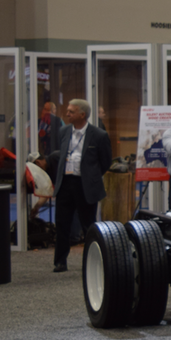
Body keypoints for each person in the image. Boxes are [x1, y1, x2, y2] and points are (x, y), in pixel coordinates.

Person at [44, 99, 112, 272]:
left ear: (82, 114)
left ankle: (94, 260)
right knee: (62, 224)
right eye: (68, 110)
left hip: (85, 185)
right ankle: (60, 261)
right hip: (65, 183)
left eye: (71, 111)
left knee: (89, 225)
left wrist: (91, 177)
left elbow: (105, 162)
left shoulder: (99, 135)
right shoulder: (64, 131)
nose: (67, 114)